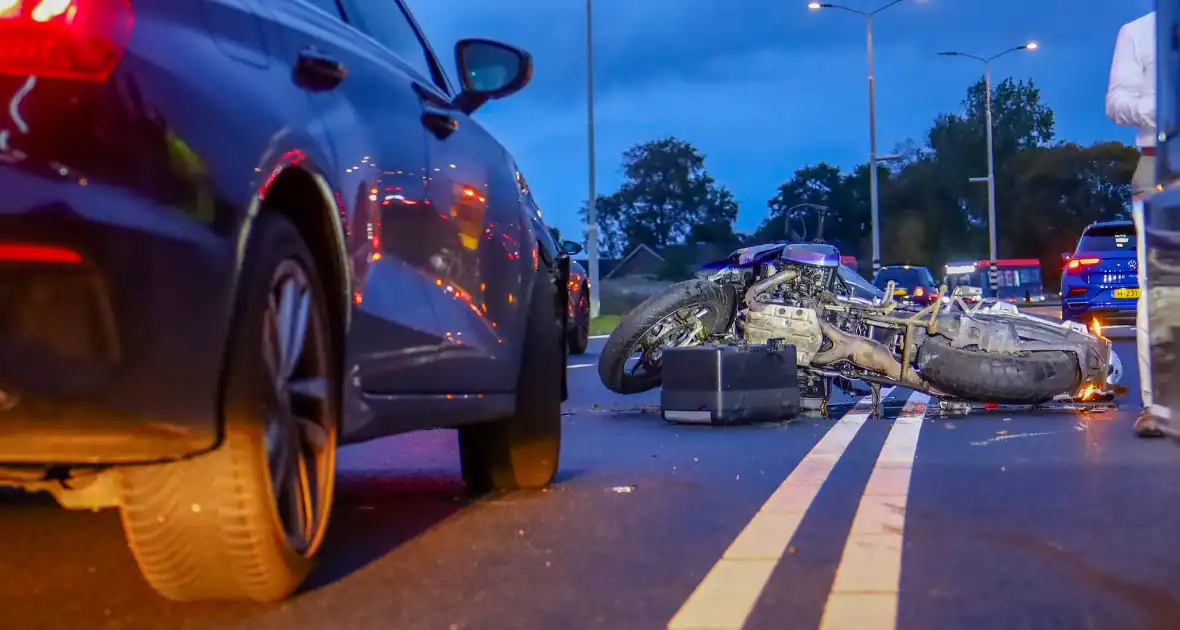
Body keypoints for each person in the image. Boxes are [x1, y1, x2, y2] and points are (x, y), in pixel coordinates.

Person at [1106, 9, 1162, 437]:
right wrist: (1158, 105)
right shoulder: (1140, 32)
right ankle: (1157, 405)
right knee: (1158, 287)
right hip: (1159, 165)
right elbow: (1116, 103)